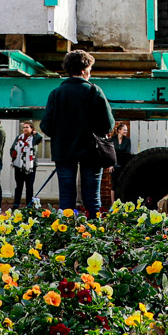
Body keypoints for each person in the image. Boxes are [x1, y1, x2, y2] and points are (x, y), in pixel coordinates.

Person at [40, 49, 113, 217]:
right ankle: (94, 235)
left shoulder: (56, 94)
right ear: (83, 70)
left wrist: (61, 136)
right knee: (92, 199)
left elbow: (45, 125)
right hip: (92, 152)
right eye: (90, 69)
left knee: (66, 199)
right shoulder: (95, 91)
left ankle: (66, 234)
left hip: (64, 151)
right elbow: (108, 126)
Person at [10, 120, 41, 211]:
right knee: (18, 186)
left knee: (29, 187)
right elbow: (12, 149)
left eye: (27, 127)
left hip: (30, 167)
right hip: (19, 166)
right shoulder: (19, 138)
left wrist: (35, 133)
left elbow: (40, 137)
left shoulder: (34, 139)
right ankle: (16, 205)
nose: (25, 129)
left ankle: (29, 206)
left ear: (32, 129)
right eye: (24, 127)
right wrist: (14, 156)